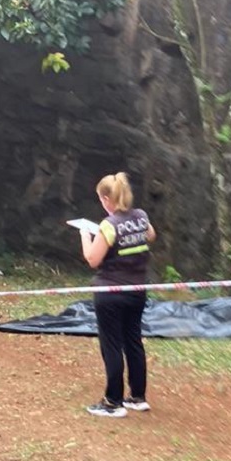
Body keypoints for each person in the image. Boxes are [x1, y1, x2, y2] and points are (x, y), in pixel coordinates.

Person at [79, 172, 156, 418]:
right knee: (133, 341)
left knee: (111, 344)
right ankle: (137, 396)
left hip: (110, 293)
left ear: (105, 199)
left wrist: (85, 235)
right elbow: (150, 235)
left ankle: (112, 402)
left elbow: (92, 259)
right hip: (136, 291)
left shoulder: (108, 225)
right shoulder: (141, 216)